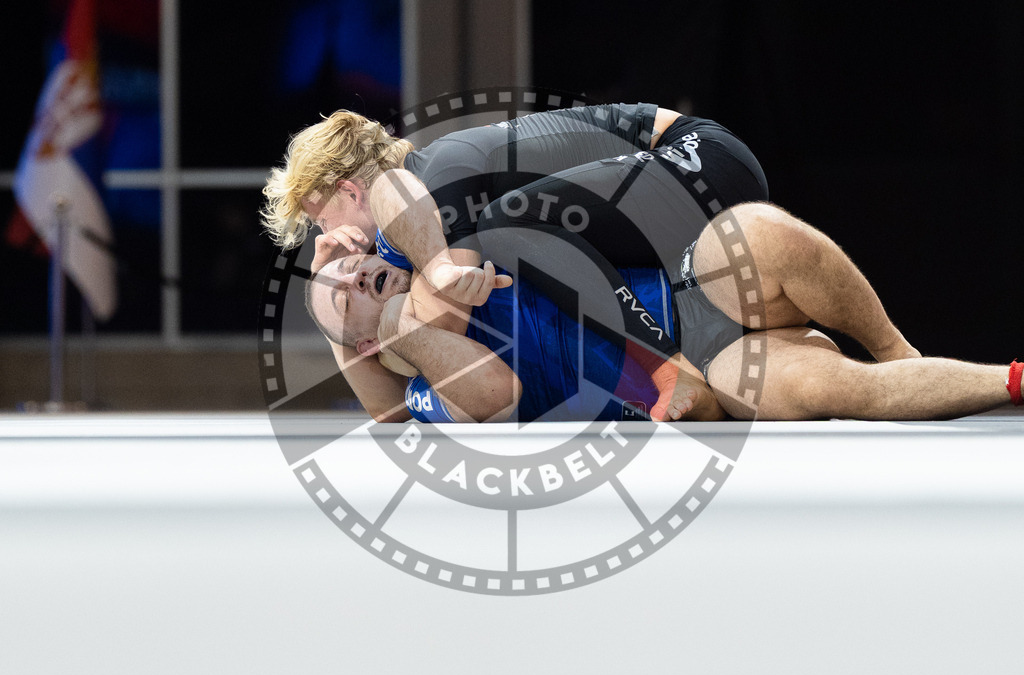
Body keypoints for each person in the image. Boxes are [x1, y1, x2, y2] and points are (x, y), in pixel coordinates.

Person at [263, 103, 774, 420]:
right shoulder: (416, 225)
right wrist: (332, 299)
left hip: (699, 159)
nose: (327, 236)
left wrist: (383, 324)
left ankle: (670, 369)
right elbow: (386, 407)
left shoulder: (435, 175)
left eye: (320, 221)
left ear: (350, 191)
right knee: (517, 232)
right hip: (687, 218)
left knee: (508, 224)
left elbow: (442, 326)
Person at [305, 203, 1024, 423]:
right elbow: (477, 395)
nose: (356, 278)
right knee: (839, 390)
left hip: (684, 297)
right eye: (345, 296)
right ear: (366, 342)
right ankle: (1014, 381)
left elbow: (398, 176)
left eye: (353, 267)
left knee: (758, 231)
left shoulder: (427, 251)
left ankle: (898, 346)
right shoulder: (434, 393)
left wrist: (336, 250)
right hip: (704, 376)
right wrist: (377, 332)